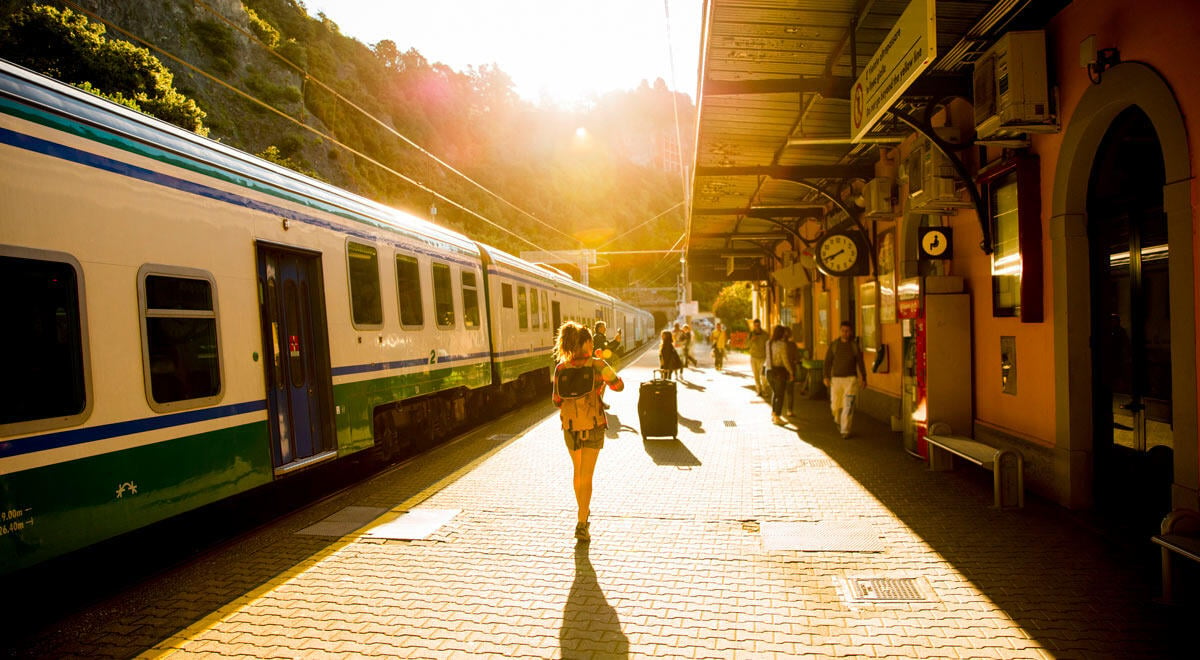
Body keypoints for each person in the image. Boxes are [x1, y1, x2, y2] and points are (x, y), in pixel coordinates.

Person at [553, 321, 624, 542]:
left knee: (577, 473)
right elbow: (619, 386)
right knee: (587, 475)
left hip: (571, 427)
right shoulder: (597, 364)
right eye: (591, 340)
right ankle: (582, 521)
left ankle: (582, 514)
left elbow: (556, 400)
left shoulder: (561, 368)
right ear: (585, 343)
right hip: (593, 424)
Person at [823, 321, 867, 438]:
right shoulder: (834, 345)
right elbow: (827, 362)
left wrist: (864, 377)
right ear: (840, 331)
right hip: (836, 380)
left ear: (850, 332)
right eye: (843, 331)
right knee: (835, 406)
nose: (845, 333)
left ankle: (845, 430)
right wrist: (826, 376)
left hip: (851, 380)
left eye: (847, 331)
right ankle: (838, 420)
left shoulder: (854, 346)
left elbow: (860, 362)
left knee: (848, 405)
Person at [765, 325, 795, 425]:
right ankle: (777, 416)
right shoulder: (782, 345)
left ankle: (773, 414)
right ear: (782, 333)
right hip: (778, 372)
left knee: (775, 393)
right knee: (780, 395)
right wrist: (791, 372)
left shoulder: (768, 343)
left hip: (768, 371)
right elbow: (785, 360)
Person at [746, 319, 769, 397]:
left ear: (760, 325)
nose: (757, 327)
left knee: (763, 375)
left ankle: (764, 390)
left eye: (758, 325)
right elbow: (746, 345)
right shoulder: (750, 334)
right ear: (754, 326)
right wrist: (751, 340)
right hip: (754, 357)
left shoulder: (765, 334)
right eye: (755, 325)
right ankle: (758, 390)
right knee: (756, 375)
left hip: (763, 357)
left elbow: (768, 345)